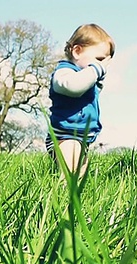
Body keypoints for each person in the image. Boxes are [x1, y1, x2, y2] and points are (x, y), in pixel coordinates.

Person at [46, 23, 115, 179]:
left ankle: (75, 202)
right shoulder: (64, 72)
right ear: (77, 51)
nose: (102, 66)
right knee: (69, 177)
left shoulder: (84, 77)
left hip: (82, 139)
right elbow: (74, 86)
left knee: (80, 177)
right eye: (99, 59)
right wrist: (95, 70)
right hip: (65, 136)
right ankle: (63, 202)